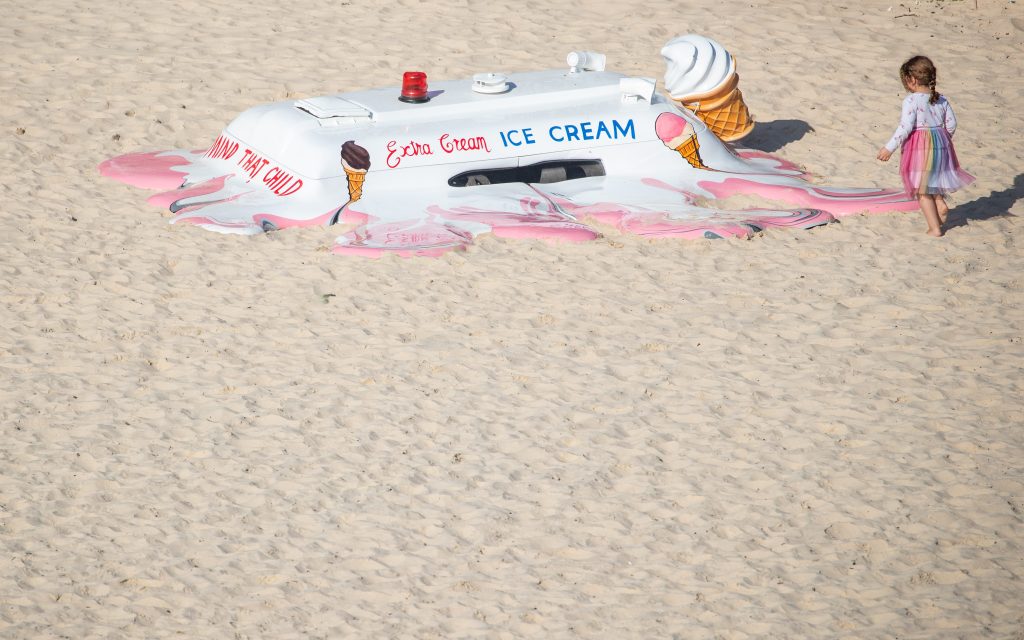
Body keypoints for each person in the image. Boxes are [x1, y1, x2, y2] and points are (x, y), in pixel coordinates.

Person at [877, 55, 974, 237]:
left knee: (922, 190)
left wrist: (889, 147)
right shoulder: (941, 99)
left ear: (912, 79)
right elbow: (952, 124)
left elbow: (905, 127)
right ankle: (939, 202)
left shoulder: (911, 101)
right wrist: (943, 140)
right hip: (941, 144)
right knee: (932, 180)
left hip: (919, 147)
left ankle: (935, 228)